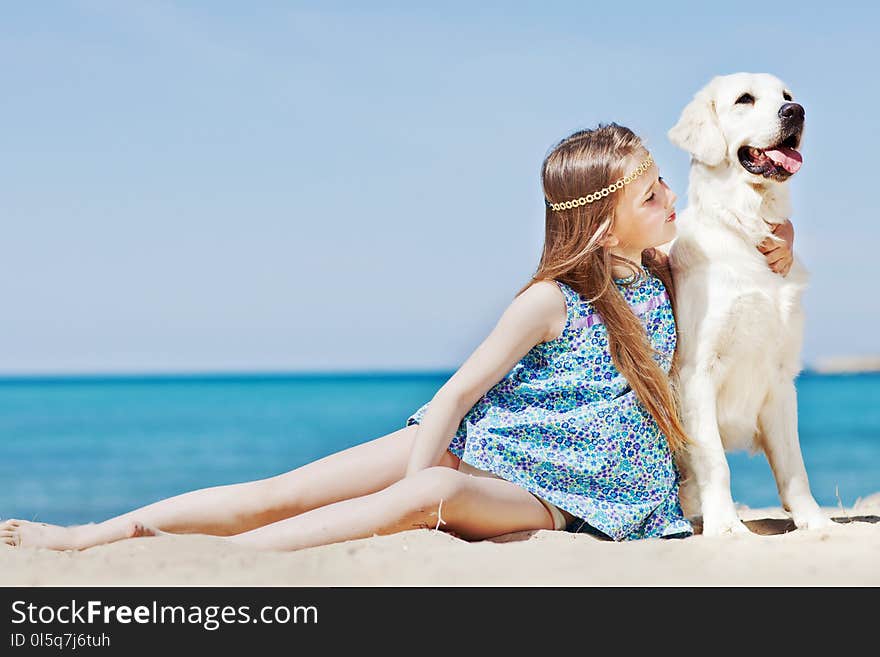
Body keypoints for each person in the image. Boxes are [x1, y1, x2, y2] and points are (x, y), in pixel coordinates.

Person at [0, 124, 795, 551]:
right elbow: (456, 396)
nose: (669, 195)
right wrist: (403, 480)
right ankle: (104, 532)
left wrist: (783, 245)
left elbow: (753, 228)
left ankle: (240, 566)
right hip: (482, 437)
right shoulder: (552, 300)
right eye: (651, 189)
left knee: (432, 496)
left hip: (579, 495)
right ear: (601, 218)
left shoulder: (670, 264)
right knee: (279, 492)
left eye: (663, 182)